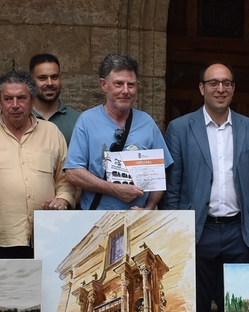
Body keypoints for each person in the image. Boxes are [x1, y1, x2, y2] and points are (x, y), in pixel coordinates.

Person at [164, 62, 249, 312]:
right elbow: (173, 188)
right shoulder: (180, 128)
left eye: (226, 83)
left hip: (239, 232)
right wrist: (176, 234)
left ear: (233, 89)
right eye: (213, 83)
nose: (220, 89)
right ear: (201, 88)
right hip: (199, 231)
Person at [0, 70, 75, 259]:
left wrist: (62, 199)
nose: (15, 105)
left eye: (21, 98)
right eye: (8, 99)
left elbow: (66, 180)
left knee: (43, 290)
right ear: (0, 102)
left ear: (32, 101)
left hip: (46, 241)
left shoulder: (52, 133)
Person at [64, 54, 171, 210]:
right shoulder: (87, 121)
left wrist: (148, 209)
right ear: (103, 85)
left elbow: (161, 173)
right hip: (95, 219)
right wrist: (115, 189)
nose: (125, 91)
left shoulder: (147, 122)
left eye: (131, 85)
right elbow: (73, 172)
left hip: (137, 220)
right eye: (118, 84)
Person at [29, 53, 81, 145]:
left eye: (54, 77)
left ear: (60, 78)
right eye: (42, 78)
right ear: (31, 80)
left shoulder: (78, 121)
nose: (49, 83)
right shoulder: (21, 118)